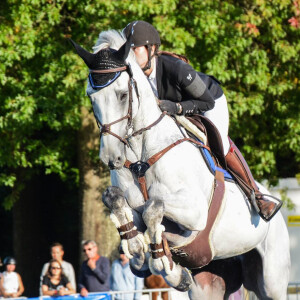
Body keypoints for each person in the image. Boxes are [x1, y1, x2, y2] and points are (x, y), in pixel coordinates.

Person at [122, 20, 281, 221]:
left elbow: (206, 102)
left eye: (134, 49)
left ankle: (257, 195)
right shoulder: (132, 77)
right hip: (174, 112)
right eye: (126, 50)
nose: (129, 56)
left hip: (208, 101)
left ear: (151, 48)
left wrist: (177, 107)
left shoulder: (176, 69)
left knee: (220, 144)